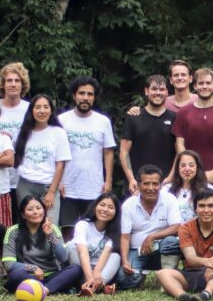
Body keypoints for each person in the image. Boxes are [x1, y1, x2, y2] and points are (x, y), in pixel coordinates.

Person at [157, 189, 213, 301]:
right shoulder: (186, 228)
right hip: (194, 273)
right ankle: (182, 296)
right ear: (195, 208)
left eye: (211, 206)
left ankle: (207, 293)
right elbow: (190, 258)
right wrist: (208, 262)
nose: (206, 210)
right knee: (162, 273)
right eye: (202, 206)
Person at [58, 77, 116, 234]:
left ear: (94, 97)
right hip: (67, 187)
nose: (85, 97)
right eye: (81, 93)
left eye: (90, 94)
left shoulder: (103, 121)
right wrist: (58, 181)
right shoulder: (62, 120)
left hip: (94, 186)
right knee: (67, 230)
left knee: (91, 229)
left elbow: (108, 152)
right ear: (74, 96)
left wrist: (108, 181)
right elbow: (55, 154)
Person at [172, 68, 213, 204]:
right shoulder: (184, 112)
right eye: (201, 83)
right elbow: (179, 143)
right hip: (189, 177)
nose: (205, 86)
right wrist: (188, 169)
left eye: (208, 83)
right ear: (194, 86)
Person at [2, 195, 82, 295]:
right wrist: (33, 268)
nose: (35, 212)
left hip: (51, 275)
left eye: (39, 208)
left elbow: (64, 257)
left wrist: (50, 236)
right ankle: (53, 288)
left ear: (44, 211)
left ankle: (43, 290)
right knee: (16, 274)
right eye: (30, 209)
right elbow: (9, 264)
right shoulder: (13, 231)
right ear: (23, 214)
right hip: (28, 276)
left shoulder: (52, 229)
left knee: (75, 269)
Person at [67, 192, 141, 296]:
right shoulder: (83, 225)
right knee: (71, 246)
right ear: (95, 206)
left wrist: (97, 273)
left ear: (116, 212)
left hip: (101, 270)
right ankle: (92, 285)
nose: (105, 210)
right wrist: (89, 277)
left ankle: (94, 286)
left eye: (110, 207)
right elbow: (83, 253)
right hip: (83, 268)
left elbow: (106, 253)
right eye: (102, 205)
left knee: (115, 256)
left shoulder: (114, 231)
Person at [14, 95, 71, 225]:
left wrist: (52, 191)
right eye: (38, 107)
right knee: (27, 226)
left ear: (51, 110)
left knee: (50, 226)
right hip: (25, 185)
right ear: (31, 110)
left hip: (48, 186)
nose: (42, 111)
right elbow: (14, 155)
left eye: (46, 107)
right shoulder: (23, 132)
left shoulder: (58, 132)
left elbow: (60, 164)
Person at [119, 165, 184, 273]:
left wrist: (152, 237)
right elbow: (125, 237)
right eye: (146, 183)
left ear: (161, 185)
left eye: (155, 184)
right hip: (138, 251)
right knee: (125, 279)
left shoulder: (169, 199)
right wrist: (125, 261)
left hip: (162, 250)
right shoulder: (128, 205)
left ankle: (167, 274)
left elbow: (177, 228)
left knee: (171, 242)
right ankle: (140, 274)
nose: (150, 188)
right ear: (138, 185)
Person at [120, 75, 176, 194]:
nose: (158, 92)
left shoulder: (175, 118)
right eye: (154, 89)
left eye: (162, 89)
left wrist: (171, 178)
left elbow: (179, 151)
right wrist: (131, 179)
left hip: (165, 184)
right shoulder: (134, 117)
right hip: (137, 183)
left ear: (167, 92)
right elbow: (124, 151)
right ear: (146, 91)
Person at [126, 59, 213, 115]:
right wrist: (135, 110)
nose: (180, 78)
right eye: (176, 75)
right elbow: (149, 112)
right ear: (171, 80)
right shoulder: (163, 101)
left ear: (191, 79)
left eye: (183, 75)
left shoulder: (199, 100)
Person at [0, 62, 31, 218]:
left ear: (23, 85)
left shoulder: (31, 109)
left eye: (17, 81)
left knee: (22, 219)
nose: (13, 84)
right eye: (9, 80)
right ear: (2, 84)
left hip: (24, 175)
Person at [168, 150, 213, 221]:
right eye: (183, 165)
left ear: (197, 167)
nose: (187, 169)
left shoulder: (208, 189)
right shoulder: (167, 189)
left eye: (191, 165)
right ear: (178, 168)